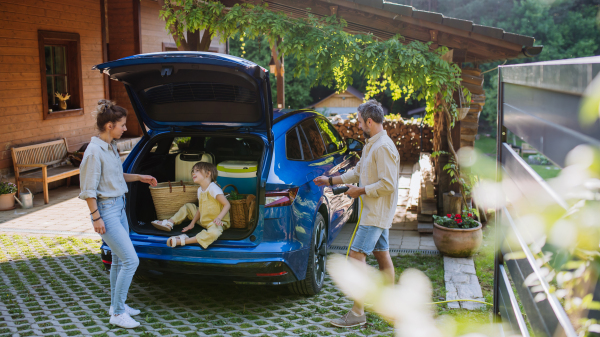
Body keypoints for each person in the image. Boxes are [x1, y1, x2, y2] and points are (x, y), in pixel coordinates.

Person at [314, 99, 400, 328]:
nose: (358, 124)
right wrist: (329, 180)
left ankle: (358, 312)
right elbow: (358, 171)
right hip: (374, 212)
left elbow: (388, 184)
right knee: (382, 256)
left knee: (355, 258)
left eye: (360, 121)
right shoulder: (373, 143)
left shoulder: (383, 147)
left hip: (376, 214)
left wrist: (360, 191)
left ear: (369, 121)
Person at [79, 100, 158, 329]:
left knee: (116, 260)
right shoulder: (93, 152)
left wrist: (139, 177)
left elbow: (115, 177)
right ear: (109, 126)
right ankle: (119, 313)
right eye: (122, 125)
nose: (125, 129)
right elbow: (88, 190)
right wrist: (96, 218)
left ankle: (116, 306)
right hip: (106, 211)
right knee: (131, 260)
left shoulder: (110, 146)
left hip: (119, 207)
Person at [151, 161, 231, 249]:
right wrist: (192, 224)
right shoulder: (200, 190)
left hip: (216, 222)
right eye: (193, 171)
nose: (193, 172)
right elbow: (201, 209)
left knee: (214, 233)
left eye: (197, 170)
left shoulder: (213, 188)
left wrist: (219, 218)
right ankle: (170, 222)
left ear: (208, 173)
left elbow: (227, 204)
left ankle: (185, 241)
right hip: (204, 219)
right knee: (188, 207)